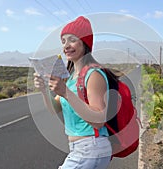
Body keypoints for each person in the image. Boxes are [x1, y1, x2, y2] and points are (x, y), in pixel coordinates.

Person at [34, 16, 112, 169]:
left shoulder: (94, 74)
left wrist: (66, 93)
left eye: (72, 40)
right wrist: (44, 91)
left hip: (90, 148)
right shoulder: (70, 78)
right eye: (63, 41)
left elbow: (98, 120)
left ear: (85, 42)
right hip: (80, 149)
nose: (66, 46)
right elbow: (54, 108)